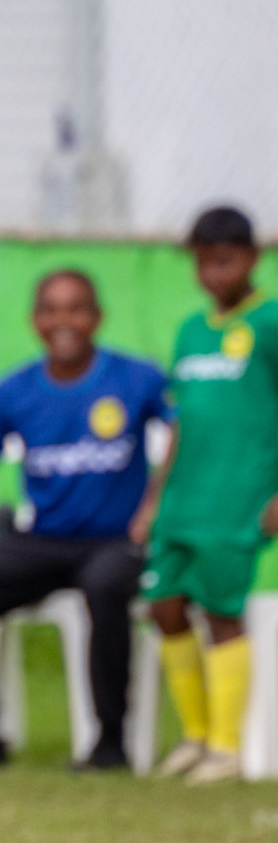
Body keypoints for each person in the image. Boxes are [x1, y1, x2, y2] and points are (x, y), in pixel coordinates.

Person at [0, 270, 168, 771]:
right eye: (51, 310)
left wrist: (153, 506)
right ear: (35, 320)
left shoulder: (137, 378)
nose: (64, 321)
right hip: (44, 542)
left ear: (96, 317)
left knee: (104, 585)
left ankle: (111, 743)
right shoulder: (12, 392)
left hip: (115, 542)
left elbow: (188, 438)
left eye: (76, 308)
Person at [138, 205, 278, 785]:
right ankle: (195, 736)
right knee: (164, 607)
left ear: (253, 257)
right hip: (183, 499)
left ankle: (225, 748)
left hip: (239, 497)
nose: (212, 273)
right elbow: (181, 423)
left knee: (222, 611)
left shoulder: (270, 322)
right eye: (202, 262)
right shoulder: (191, 331)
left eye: (224, 260)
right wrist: (152, 500)